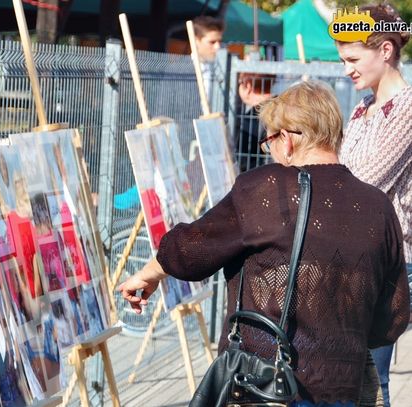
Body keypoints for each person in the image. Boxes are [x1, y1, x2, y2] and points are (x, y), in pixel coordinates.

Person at [119, 81, 410, 404]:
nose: (268, 150)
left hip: (264, 384)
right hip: (343, 389)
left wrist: (147, 274)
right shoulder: (376, 205)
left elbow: (190, 250)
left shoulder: (268, 189)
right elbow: (393, 316)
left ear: (286, 140)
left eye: (268, 140)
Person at [336, 4, 412, 406]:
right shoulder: (363, 107)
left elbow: (363, 182)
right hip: (357, 257)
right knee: (355, 377)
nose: (346, 69)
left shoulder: (408, 108)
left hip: (389, 263)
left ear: (385, 50)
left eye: (352, 58)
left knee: (371, 382)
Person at [235, 72, 276, 172]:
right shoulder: (282, 106)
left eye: (239, 83)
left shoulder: (251, 118)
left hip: (260, 177)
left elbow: (243, 161)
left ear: (248, 86)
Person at [192, 16, 224, 98]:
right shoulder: (179, 71)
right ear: (196, 41)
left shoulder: (222, 71)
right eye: (212, 42)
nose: (218, 47)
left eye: (220, 41)